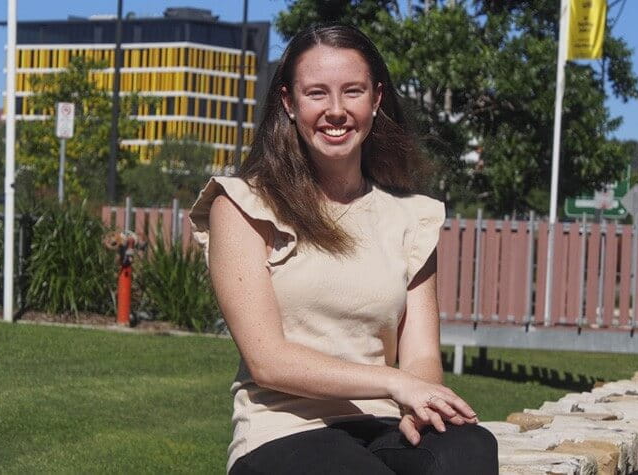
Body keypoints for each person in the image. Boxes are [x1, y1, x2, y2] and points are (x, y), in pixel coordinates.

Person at [190, 24, 498, 474]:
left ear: (375, 100)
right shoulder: (241, 205)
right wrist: (394, 383)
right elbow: (268, 361)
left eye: (351, 92)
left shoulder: (412, 217)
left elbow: (422, 357)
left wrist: (419, 401)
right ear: (289, 104)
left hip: (386, 425)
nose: (336, 111)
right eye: (317, 93)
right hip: (283, 431)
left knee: (468, 449)